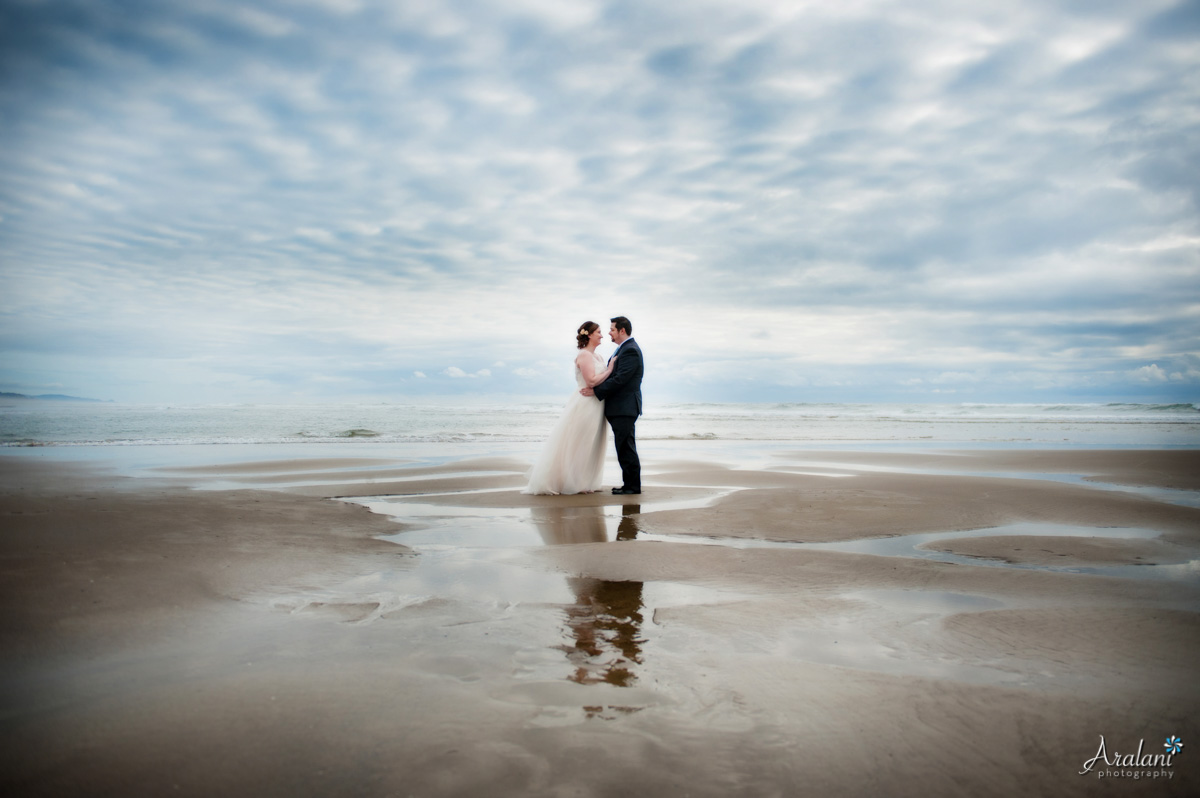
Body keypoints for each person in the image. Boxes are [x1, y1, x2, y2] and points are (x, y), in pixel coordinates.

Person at [522, 321, 615, 495]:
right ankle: (574, 483)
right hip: (585, 404)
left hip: (597, 404)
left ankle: (587, 481)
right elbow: (591, 381)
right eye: (599, 332)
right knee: (580, 442)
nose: (602, 335)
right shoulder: (584, 356)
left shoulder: (599, 357)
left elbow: (600, 382)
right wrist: (610, 370)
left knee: (593, 442)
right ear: (589, 335)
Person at [581, 316, 642, 495]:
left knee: (625, 446)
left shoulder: (630, 350)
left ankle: (632, 486)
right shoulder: (623, 349)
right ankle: (629, 484)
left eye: (612, 329)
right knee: (623, 446)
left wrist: (596, 391)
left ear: (622, 330)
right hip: (621, 407)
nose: (609, 333)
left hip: (625, 407)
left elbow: (620, 379)